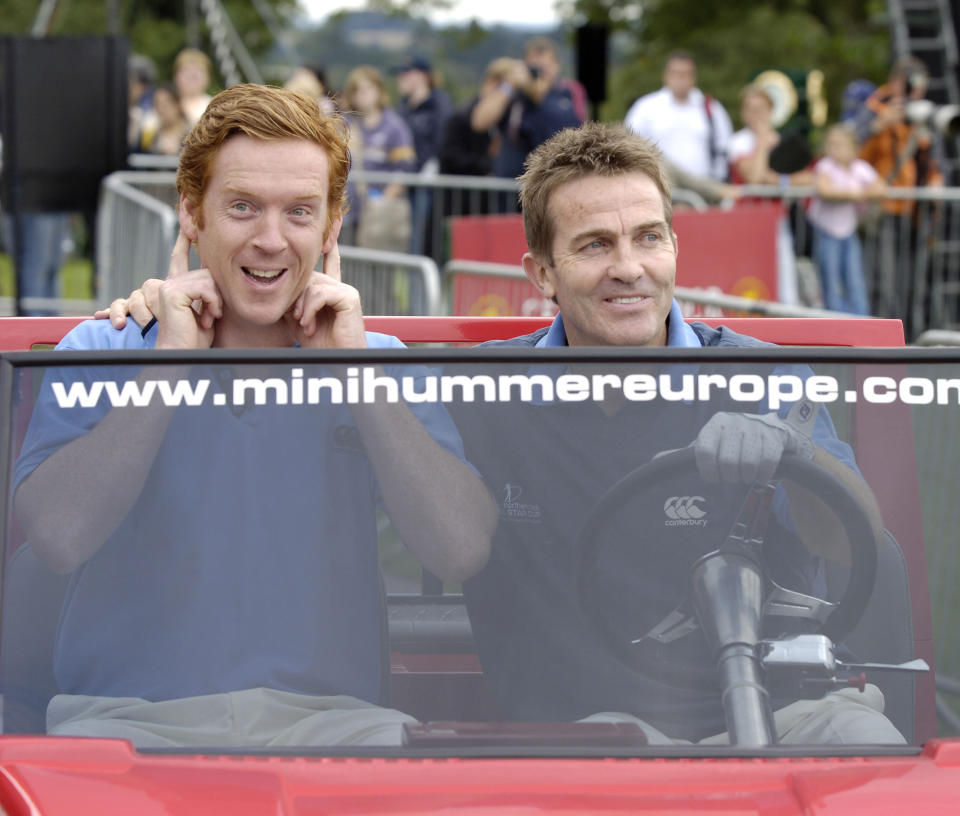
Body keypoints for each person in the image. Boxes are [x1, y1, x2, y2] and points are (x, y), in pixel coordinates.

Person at [12, 84, 495, 748]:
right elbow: (59, 537)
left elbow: (460, 548)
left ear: (331, 227)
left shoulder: (378, 361)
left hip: (336, 727)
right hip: (125, 723)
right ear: (191, 215)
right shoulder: (106, 346)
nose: (271, 240)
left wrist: (354, 372)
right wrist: (171, 362)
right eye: (242, 207)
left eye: (300, 212)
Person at [452, 122, 904, 746]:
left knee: (865, 742)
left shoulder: (761, 375)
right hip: (589, 737)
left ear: (674, 247)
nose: (629, 268)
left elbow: (852, 542)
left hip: (781, 718)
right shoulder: (481, 390)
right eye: (594, 246)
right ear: (542, 274)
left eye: (648, 237)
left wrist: (790, 453)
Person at [857, 56, 944, 335]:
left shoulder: (920, 117)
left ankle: (913, 338)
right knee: (883, 280)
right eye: (912, 86)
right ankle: (881, 338)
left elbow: (930, 162)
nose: (916, 94)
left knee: (913, 282)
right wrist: (878, 126)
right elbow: (851, 154)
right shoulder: (872, 109)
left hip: (915, 212)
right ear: (897, 83)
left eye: (921, 88)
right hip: (884, 210)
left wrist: (935, 182)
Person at [470, 37, 581, 179]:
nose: (538, 74)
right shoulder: (514, 97)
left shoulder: (564, 97)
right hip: (508, 188)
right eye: (533, 69)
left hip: (545, 186)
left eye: (544, 68)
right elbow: (479, 122)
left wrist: (538, 95)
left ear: (557, 66)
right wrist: (509, 85)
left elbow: (561, 130)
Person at [808, 124, 885, 315]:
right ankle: (834, 328)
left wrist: (857, 193)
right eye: (831, 144)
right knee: (831, 283)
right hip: (827, 232)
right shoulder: (825, 166)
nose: (834, 149)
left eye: (839, 145)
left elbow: (881, 188)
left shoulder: (860, 167)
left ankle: (862, 324)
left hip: (848, 232)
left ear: (852, 147)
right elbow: (825, 190)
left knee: (855, 281)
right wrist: (854, 194)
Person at [625, 50, 733, 182]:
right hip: (660, 187)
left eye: (686, 74)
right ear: (665, 76)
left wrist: (719, 182)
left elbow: (723, 148)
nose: (681, 79)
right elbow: (631, 148)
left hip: (706, 191)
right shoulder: (646, 108)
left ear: (694, 77)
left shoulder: (711, 108)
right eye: (676, 73)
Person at [341, 66, 416, 252]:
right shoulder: (344, 124)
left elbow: (405, 169)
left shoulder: (394, 126)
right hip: (347, 210)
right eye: (357, 90)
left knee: (379, 271)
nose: (362, 95)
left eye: (367, 89)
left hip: (378, 212)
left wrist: (383, 200)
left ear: (379, 91)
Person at [393, 55, 452, 256]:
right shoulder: (403, 107)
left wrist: (432, 165)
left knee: (420, 239)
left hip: (427, 185)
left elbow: (442, 141)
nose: (401, 79)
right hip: (405, 182)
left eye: (406, 74)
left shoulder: (440, 104)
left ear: (423, 76)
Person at [173, 48, 213, 127]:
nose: (193, 75)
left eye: (199, 70)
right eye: (187, 70)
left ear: (208, 77)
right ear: (176, 76)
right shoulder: (166, 105)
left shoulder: (215, 107)